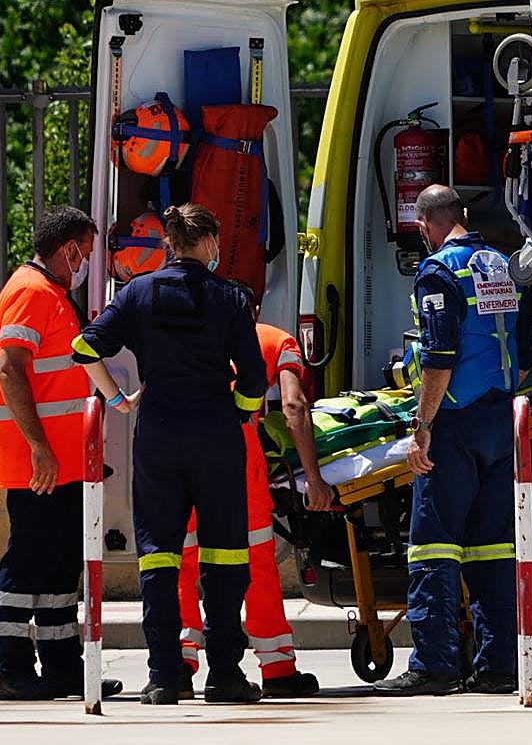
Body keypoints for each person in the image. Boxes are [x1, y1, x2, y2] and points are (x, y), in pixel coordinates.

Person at [72, 203, 267, 705]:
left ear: (170, 245)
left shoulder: (137, 292)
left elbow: (85, 347)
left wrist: (117, 400)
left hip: (158, 433)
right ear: (206, 243)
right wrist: (241, 415)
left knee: (158, 555)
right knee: (225, 554)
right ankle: (225, 674)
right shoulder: (229, 298)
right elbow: (252, 380)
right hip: (216, 435)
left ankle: (163, 677)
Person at [375, 184, 532, 696]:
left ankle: (435, 666)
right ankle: (499, 666)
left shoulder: (439, 271)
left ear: (425, 226)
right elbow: (525, 346)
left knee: (434, 545)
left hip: (456, 421)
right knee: (492, 549)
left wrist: (421, 427)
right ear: (462, 215)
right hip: (501, 418)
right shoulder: (502, 265)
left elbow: (439, 355)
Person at [0, 205, 123, 702]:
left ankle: (64, 667)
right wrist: (41, 449)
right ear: (67, 248)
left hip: (64, 465)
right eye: (85, 252)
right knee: (29, 565)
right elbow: (11, 370)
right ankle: (13, 670)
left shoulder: (51, 295)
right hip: (39, 465)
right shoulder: (30, 292)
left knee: (60, 568)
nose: (87, 261)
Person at [178, 290, 333, 698]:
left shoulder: (191, 336)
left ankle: (178, 663)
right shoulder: (274, 340)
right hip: (238, 466)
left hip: (184, 461)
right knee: (257, 562)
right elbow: (295, 406)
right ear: (256, 309)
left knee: (186, 560)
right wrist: (314, 478)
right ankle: (277, 667)